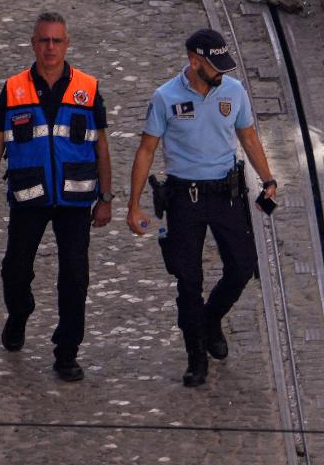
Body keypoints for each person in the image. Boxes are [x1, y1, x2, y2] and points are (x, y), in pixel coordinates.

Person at [126, 29, 278, 388]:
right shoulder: (165, 97)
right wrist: (133, 206)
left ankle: (211, 319)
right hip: (185, 199)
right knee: (188, 279)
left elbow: (249, 136)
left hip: (226, 195)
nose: (221, 73)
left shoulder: (234, 91)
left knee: (242, 268)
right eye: (215, 66)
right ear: (195, 62)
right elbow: (147, 149)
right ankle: (196, 355)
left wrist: (268, 179)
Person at [0, 12, 113, 382]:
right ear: (33, 44)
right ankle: (19, 313)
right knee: (15, 271)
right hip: (29, 196)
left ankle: (66, 353)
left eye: (57, 41)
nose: (50, 47)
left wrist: (107, 197)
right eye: (43, 40)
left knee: (75, 276)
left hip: (75, 200)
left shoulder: (88, 87)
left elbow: (101, 145)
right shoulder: (14, 88)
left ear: (67, 44)